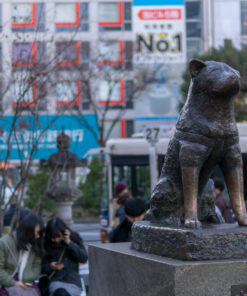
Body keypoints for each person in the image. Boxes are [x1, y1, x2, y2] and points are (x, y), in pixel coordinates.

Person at [0, 212, 44, 296]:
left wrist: (25, 280)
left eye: (40, 233)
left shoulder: (35, 244)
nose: (38, 236)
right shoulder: (5, 243)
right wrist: (14, 283)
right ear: (28, 231)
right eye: (37, 232)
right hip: (5, 283)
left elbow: (37, 266)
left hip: (27, 283)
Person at [42, 217, 88, 296]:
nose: (56, 240)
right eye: (53, 238)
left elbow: (83, 258)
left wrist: (69, 242)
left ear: (64, 232)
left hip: (73, 282)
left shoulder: (74, 239)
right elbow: (41, 267)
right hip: (56, 282)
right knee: (60, 293)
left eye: (58, 236)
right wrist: (51, 266)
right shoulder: (46, 244)